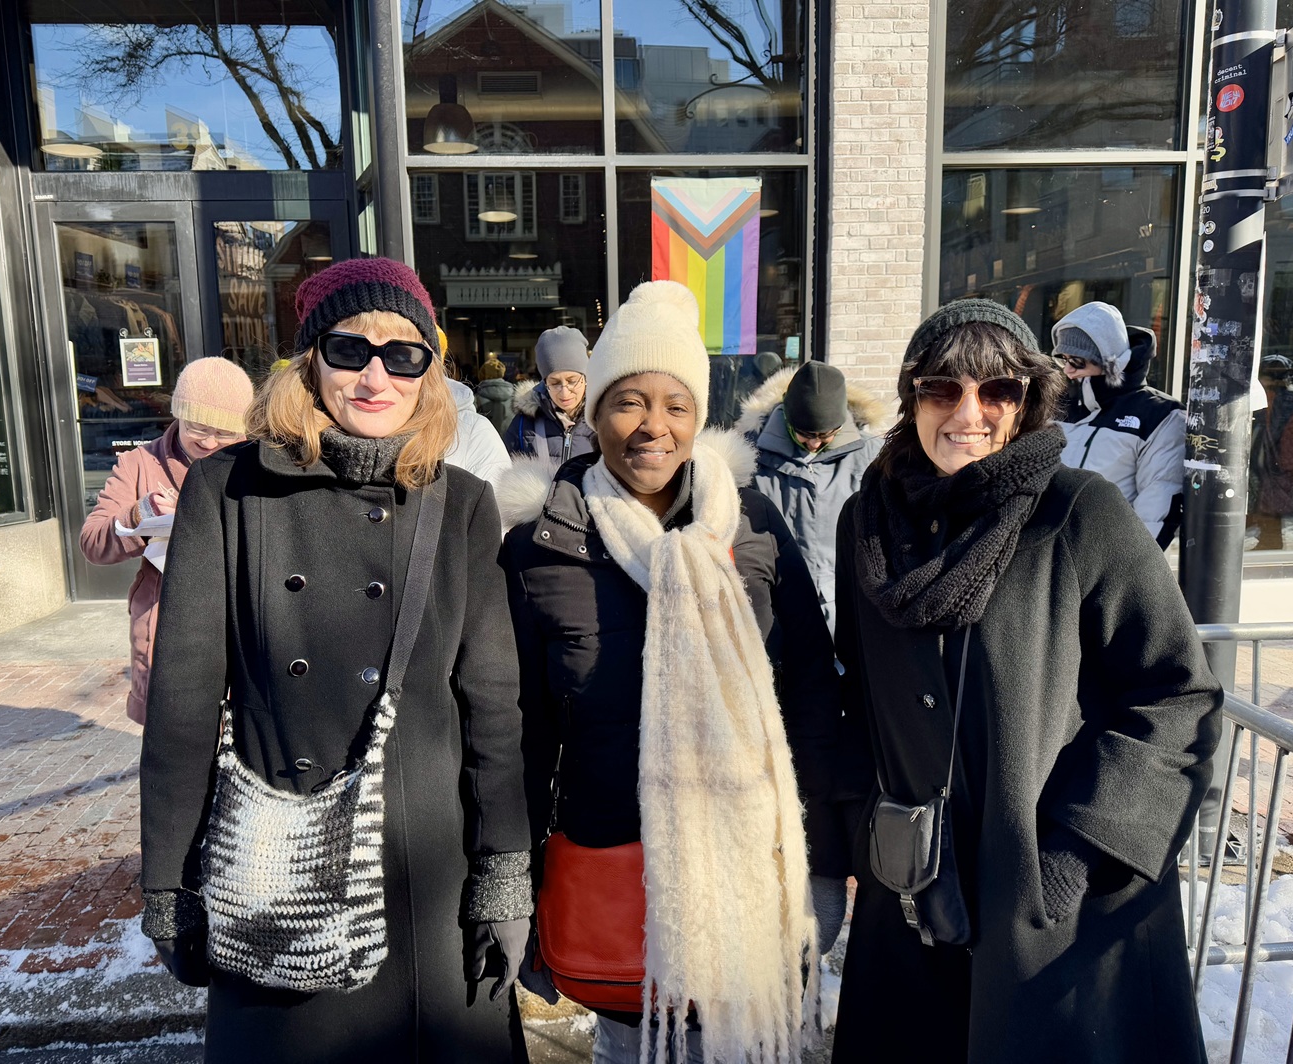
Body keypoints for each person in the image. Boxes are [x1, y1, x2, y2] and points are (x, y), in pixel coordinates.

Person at [138, 258, 532, 1063]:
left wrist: (505, 871)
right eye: (351, 350)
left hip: (426, 873)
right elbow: (183, 699)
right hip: (283, 868)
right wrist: (170, 880)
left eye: (403, 355)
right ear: (310, 361)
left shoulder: (462, 503)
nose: (376, 377)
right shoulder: (227, 491)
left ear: (429, 374)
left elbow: (493, 703)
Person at [831, 299, 1222, 1063]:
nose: (967, 412)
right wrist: (859, 830)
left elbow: (1177, 694)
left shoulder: (1078, 513)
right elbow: (861, 690)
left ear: (1027, 402)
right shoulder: (868, 526)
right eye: (942, 388)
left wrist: (1076, 853)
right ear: (913, 397)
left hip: (1053, 904)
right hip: (912, 886)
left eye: (997, 390)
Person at [499, 281, 846, 1064]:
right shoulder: (540, 546)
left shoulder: (753, 527)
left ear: (697, 418)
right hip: (617, 872)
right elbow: (517, 735)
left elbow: (812, 698)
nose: (653, 425)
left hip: (753, 871)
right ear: (595, 415)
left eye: (676, 405)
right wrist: (516, 885)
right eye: (629, 402)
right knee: (633, 1050)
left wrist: (824, 859)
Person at [78, 357, 253, 725]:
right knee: (171, 738)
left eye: (224, 433)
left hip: (243, 623)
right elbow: (93, 542)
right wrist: (140, 513)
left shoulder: (257, 463)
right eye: (197, 427)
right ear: (179, 415)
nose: (209, 442)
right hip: (165, 623)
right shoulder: (139, 464)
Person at [734, 359, 887, 635]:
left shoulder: (872, 457)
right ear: (787, 418)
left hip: (847, 607)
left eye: (825, 435)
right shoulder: (750, 456)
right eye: (804, 434)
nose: (814, 443)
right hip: (775, 608)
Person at [1053, 301, 1186, 548]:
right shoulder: (1056, 405)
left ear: (1108, 361)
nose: (1068, 370)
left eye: (1078, 361)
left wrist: (1126, 567)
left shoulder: (1159, 415)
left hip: (1107, 557)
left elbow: (1156, 508)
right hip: (1044, 555)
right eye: (1064, 360)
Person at [504, 325, 595, 465]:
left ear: (585, 378)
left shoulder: (603, 420)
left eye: (572, 381)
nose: (564, 392)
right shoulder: (523, 424)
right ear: (545, 382)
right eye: (555, 383)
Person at [474, 356, 517, 435]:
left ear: (482, 375)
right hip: (510, 440)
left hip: (487, 441)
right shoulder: (515, 396)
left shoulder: (476, 399)